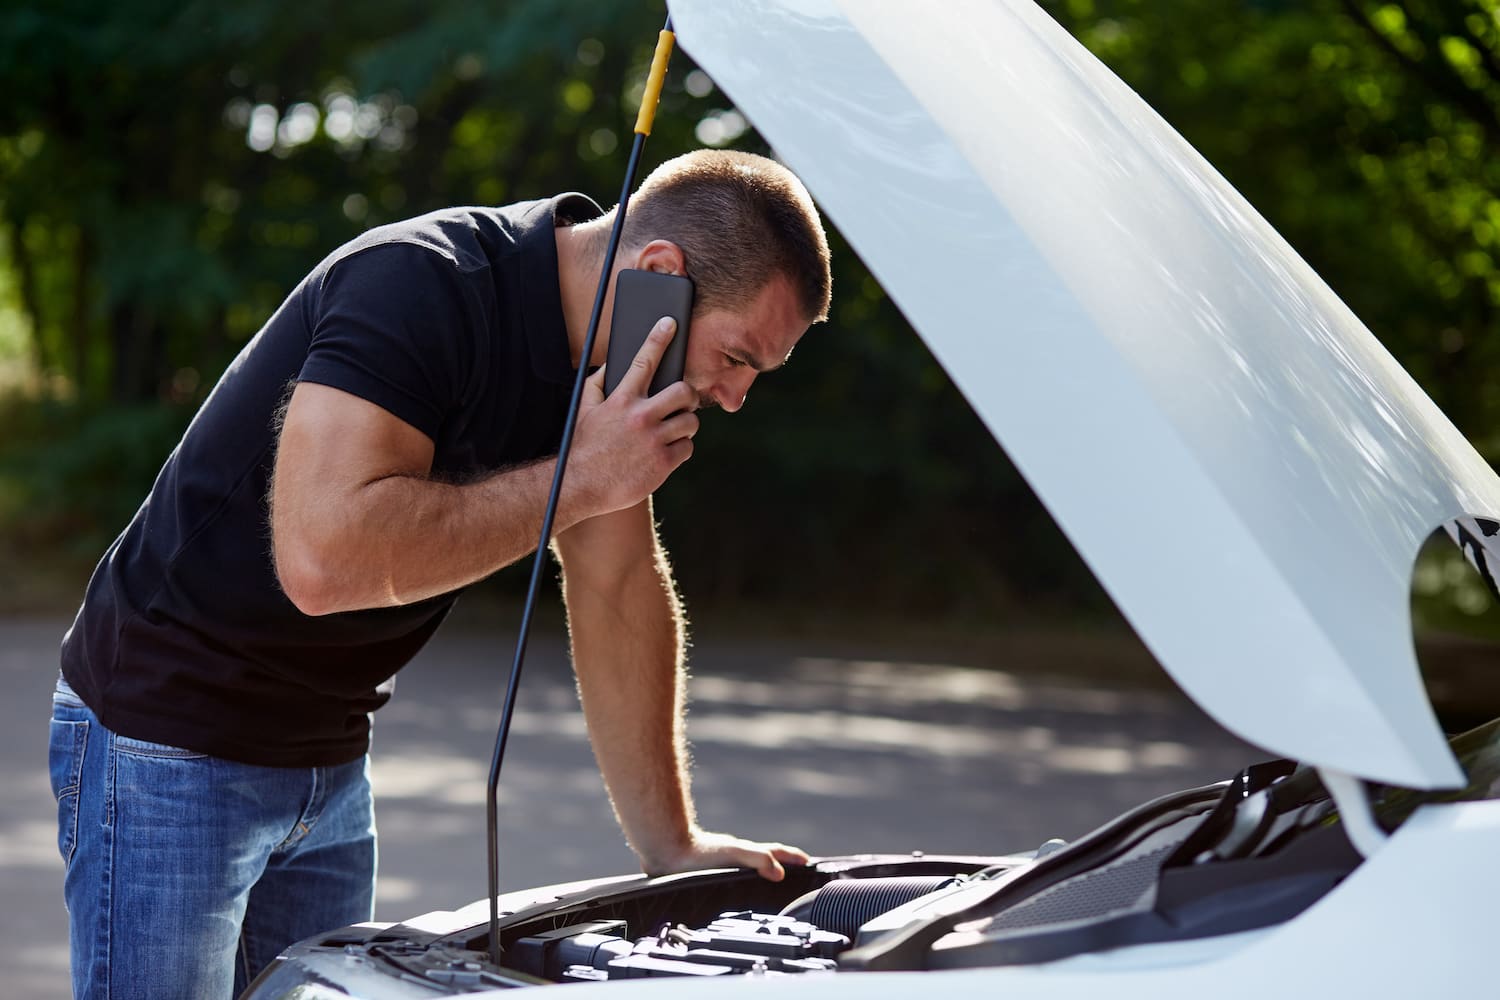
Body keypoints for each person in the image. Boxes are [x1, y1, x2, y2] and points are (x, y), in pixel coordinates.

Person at [49, 148, 833, 999]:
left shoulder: (615, 373)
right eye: (740, 358)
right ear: (661, 273)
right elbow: (323, 563)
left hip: (330, 754)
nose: (734, 396)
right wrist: (580, 478)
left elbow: (616, 583)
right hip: (168, 735)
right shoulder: (418, 284)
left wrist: (670, 844)